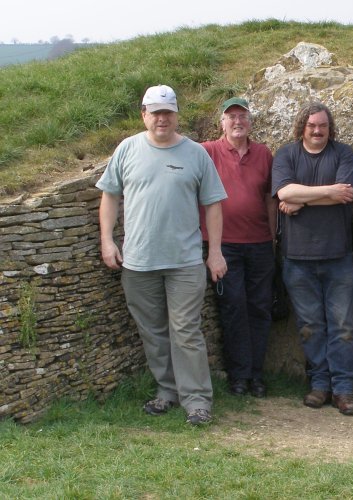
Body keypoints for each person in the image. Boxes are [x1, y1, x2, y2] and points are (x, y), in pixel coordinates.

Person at [97, 84, 228, 426]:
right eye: (155, 112)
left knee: (185, 331)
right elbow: (110, 196)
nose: (161, 119)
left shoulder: (196, 153)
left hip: (184, 262)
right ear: (144, 115)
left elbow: (213, 205)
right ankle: (167, 391)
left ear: (176, 116)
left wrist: (215, 253)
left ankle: (197, 400)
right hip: (138, 261)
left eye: (167, 112)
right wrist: (107, 240)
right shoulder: (127, 150)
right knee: (153, 331)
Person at [271, 102, 353, 416]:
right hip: (297, 258)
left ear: (330, 127)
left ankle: (344, 390)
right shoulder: (286, 155)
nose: (318, 130)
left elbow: (346, 194)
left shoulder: (343, 153)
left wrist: (301, 199)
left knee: (343, 326)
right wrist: (325, 193)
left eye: (323, 125)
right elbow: (282, 194)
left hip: (338, 257)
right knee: (311, 326)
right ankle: (319, 385)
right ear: (302, 127)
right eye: (312, 125)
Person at [201, 97, 276, 398]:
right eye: (231, 117)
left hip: (259, 243)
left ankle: (256, 375)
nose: (237, 122)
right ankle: (238, 375)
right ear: (221, 123)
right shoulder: (207, 152)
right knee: (233, 309)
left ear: (251, 122)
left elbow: (270, 199)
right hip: (224, 246)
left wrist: (273, 240)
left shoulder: (263, 154)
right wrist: (212, 249)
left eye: (242, 116)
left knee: (259, 309)